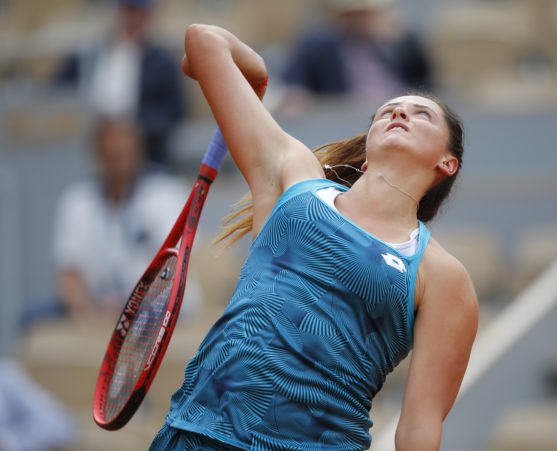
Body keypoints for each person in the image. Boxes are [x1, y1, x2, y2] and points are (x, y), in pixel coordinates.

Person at [151, 24, 478, 450]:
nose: (400, 113)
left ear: (446, 163)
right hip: (195, 434)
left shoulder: (442, 275)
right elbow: (202, 40)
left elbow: (419, 427)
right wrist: (256, 69)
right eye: (389, 109)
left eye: (422, 114)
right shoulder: (294, 178)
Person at [52, 117, 199, 320]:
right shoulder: (78, 201)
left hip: (156, 310)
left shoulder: (166, 195)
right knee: (31, 316)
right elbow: (69, 273)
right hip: (97, 309)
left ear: (139, 153)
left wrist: (127, 309)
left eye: (123, 154)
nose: (117, 163)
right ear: (98, 156)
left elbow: (172, 269)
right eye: (110, 155)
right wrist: (85, 309)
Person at [54, 0, 185, 166]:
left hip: (144, 154)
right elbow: (56, 93)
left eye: (140, 13)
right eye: (129, 11)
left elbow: (175, 112)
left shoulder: (163, 62)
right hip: (87, 150)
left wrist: (133, 128)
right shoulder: (88, 54)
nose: (134, 19)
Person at [280, 0, 431, 114]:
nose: (363, 20)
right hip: (345, 115)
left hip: (396, 111)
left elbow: (424, 80)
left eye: (368, 14)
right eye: (358, 14)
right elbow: (295, 82)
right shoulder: (320, 46)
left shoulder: (401, 42)